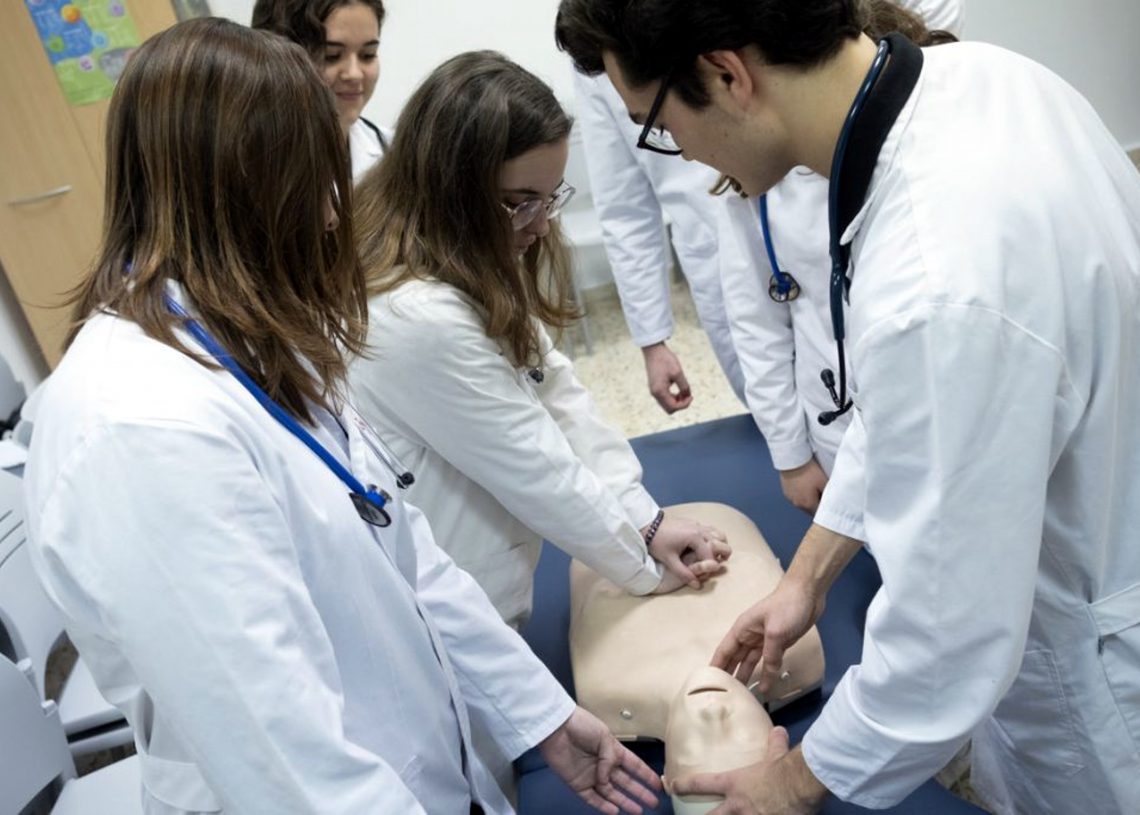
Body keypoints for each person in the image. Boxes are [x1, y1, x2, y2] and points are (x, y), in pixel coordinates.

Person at [22, 19, 662, 815]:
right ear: (230, 191)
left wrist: (542, 717)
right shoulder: (138, 425)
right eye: (310, 183)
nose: (334, 215)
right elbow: (282, 755)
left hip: (422, 755)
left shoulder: (258, 344)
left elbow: (406, 553)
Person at [556, 1, 1140, 814]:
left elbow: (943, 647)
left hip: (1092, 678)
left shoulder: (935, 277)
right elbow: (915, 415)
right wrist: (808, 575)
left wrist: (790, 782)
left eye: (656, 126)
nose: (679, 154)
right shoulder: (989, 81)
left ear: (728, 75)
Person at [715, 0, 961, 514]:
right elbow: (756, 324)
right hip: (833, 424)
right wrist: (790, 456)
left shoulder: (920, 146)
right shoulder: (749, 174)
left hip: (938, 419)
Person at [574, 70, 744, 413]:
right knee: (773, 416)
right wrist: (652, 340)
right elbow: (625, 210)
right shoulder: (588, 57)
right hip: (715, 256)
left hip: (809, 230)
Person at [253, 0, 390, 178]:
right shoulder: (247, 161)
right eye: (331, 56)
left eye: (368, 55)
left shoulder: (393, 152)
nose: (354, 74)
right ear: (278, 58)